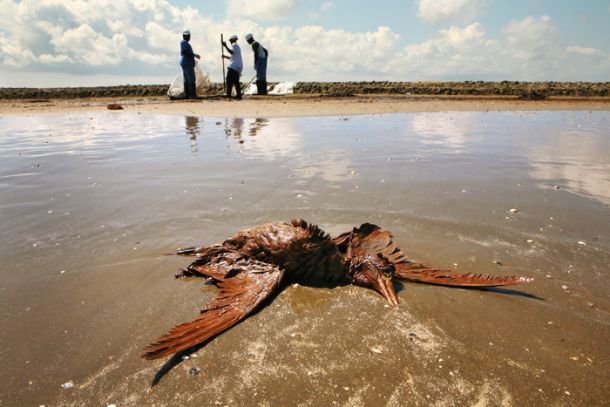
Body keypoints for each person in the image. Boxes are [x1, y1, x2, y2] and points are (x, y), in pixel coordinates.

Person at [180, 30, 200, 99]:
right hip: (187, 63)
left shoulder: (185, 43)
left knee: (187, 79)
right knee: (191, 79)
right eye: (188, 36)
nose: (189, 37)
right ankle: (192, 95)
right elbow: (185, 52)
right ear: (184, 36)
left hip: (186, 63)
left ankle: (188, 95)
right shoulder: (184, 42)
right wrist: (194, 55)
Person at [222, 34, 243, 100]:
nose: (230, 42)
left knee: (229, 80)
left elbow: (231, 52)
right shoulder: (237, 47)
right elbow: (233, 57)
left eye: (230, 40)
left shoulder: (234, 45)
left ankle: (228, 95)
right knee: (236, 81)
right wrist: (225, 57)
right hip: (238, 66)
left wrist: (225, 46)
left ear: (232, 40)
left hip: (234, 66)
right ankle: (238, 95)